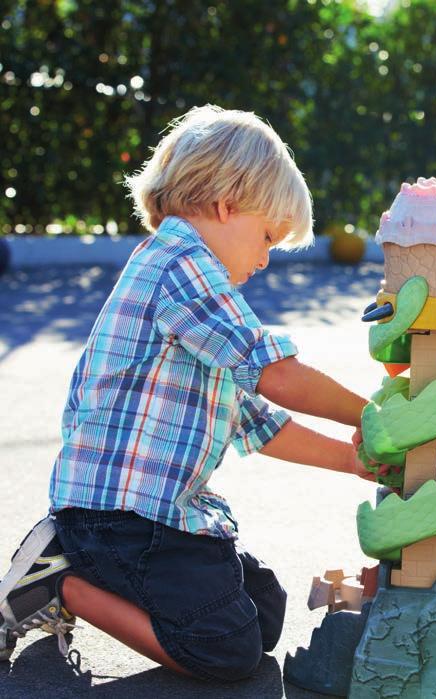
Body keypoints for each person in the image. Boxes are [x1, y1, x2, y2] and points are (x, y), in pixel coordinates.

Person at [0, 105, 375, 680]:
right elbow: (274, 373)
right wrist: (375, 416)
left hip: (145, 518)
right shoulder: (182, 265)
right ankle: (62, 583)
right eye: (267, 236)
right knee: (226, 651)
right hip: (120, 519)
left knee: (263, 613)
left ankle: (75, 569)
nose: (265, 257)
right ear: (227, 205)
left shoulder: (190, 287)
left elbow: (256, 422)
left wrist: (354, 459)